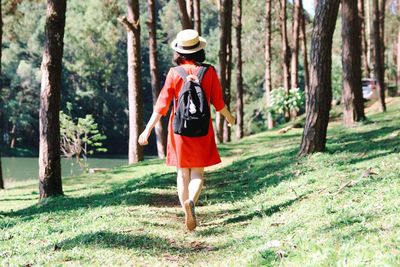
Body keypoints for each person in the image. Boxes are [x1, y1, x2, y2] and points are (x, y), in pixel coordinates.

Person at [138, 29, 235, 231]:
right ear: (199, 50)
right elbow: (218, 103)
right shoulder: (209, 72)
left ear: (179, 52)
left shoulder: (174, 73)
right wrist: (230, 118)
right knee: (197, 173)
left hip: (179, 130)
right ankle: (192, 201)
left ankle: (186, 212)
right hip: (202, 129)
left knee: (182, 174)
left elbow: (161, 106)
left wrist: (146, 130)